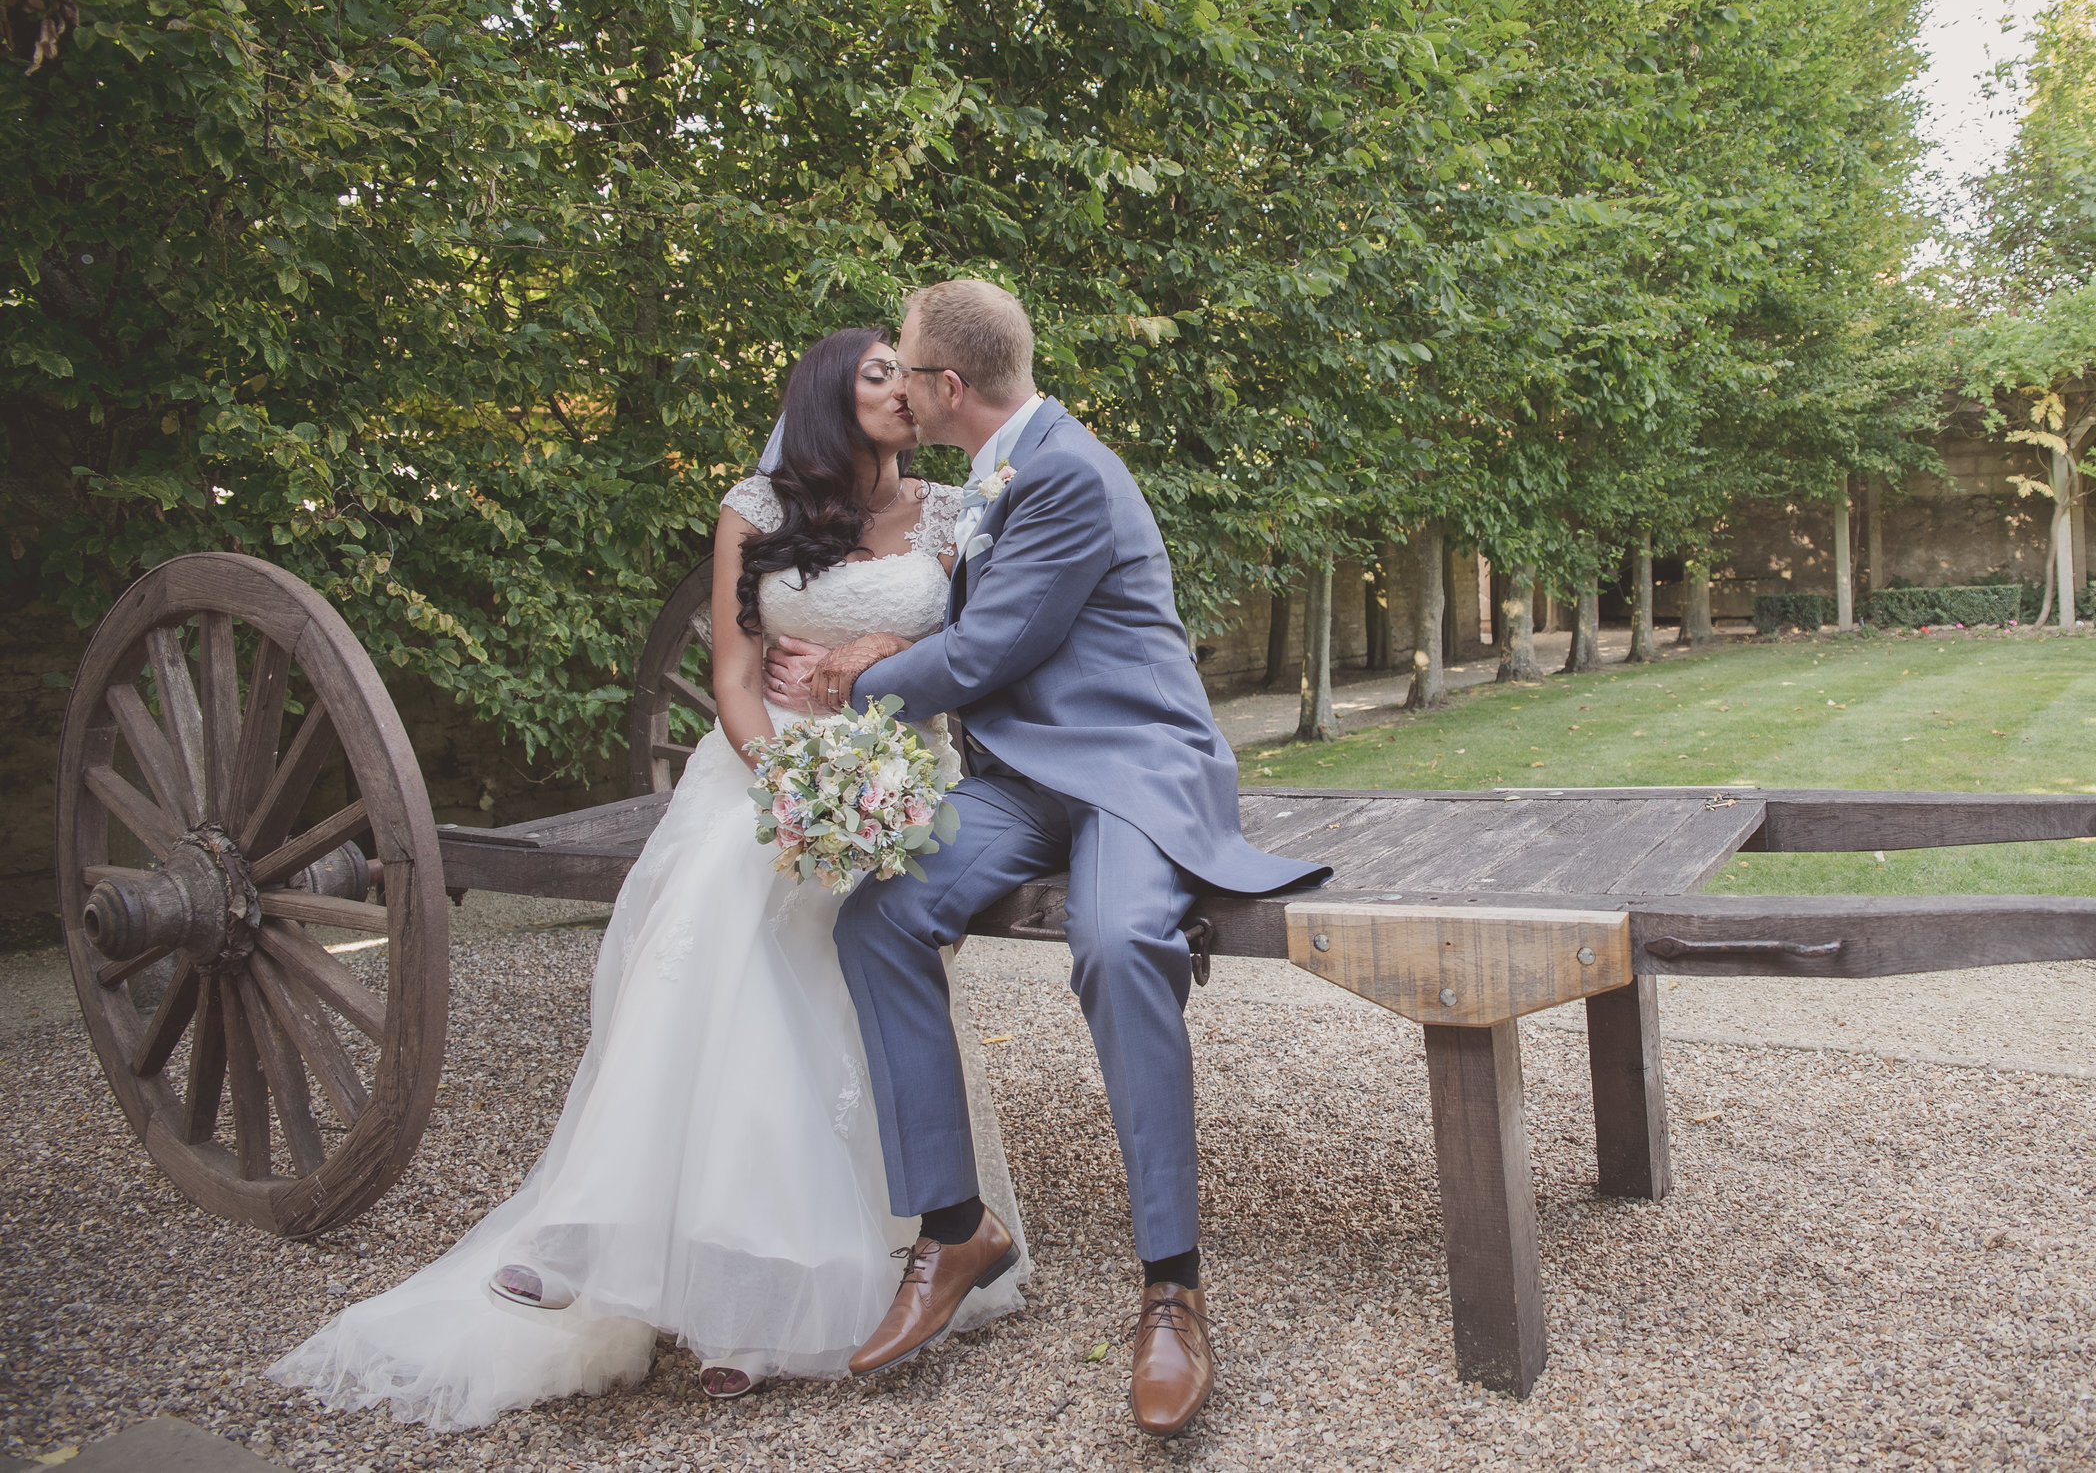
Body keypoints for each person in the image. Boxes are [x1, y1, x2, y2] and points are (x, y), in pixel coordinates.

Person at [270, 330, 1029, 1430]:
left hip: (897, 771)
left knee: (786, 920)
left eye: (906, 373)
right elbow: (731, 672)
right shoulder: (755, 511)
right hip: (766, 761)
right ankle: (606, 1235)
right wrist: (787, 780)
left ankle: (745, 1289)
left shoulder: (954, 516)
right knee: (726, 883)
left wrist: (865, 724)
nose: (903, 389)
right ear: (825, 393)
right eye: (876, 372)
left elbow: (974, 658)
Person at [762, 279, 1326, 1438]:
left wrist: (849, 678)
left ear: (948, 387)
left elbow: (995, 644)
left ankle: (1172, 1286)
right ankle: (954, 1224)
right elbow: (982, 629)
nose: (900, 387)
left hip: (1128, 769)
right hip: (1025, 778)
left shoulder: (1065, 471)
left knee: (1117, 941)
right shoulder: (991, 475)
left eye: (907, 370)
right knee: (879, 917)